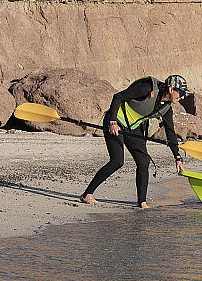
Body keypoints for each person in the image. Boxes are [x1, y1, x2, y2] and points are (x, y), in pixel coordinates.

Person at [81, 74, 189, 209]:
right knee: (117, 161)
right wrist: (113, 121)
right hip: (116, 121)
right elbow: (118, 97)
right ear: (171, 89)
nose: (183, 96)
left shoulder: (166, 109)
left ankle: (141, 202)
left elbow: (170, 133)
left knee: (144, 161)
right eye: (181, 93)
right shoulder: (147, 88)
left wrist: (177, 158)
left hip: (132, 127)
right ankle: (87, 194)